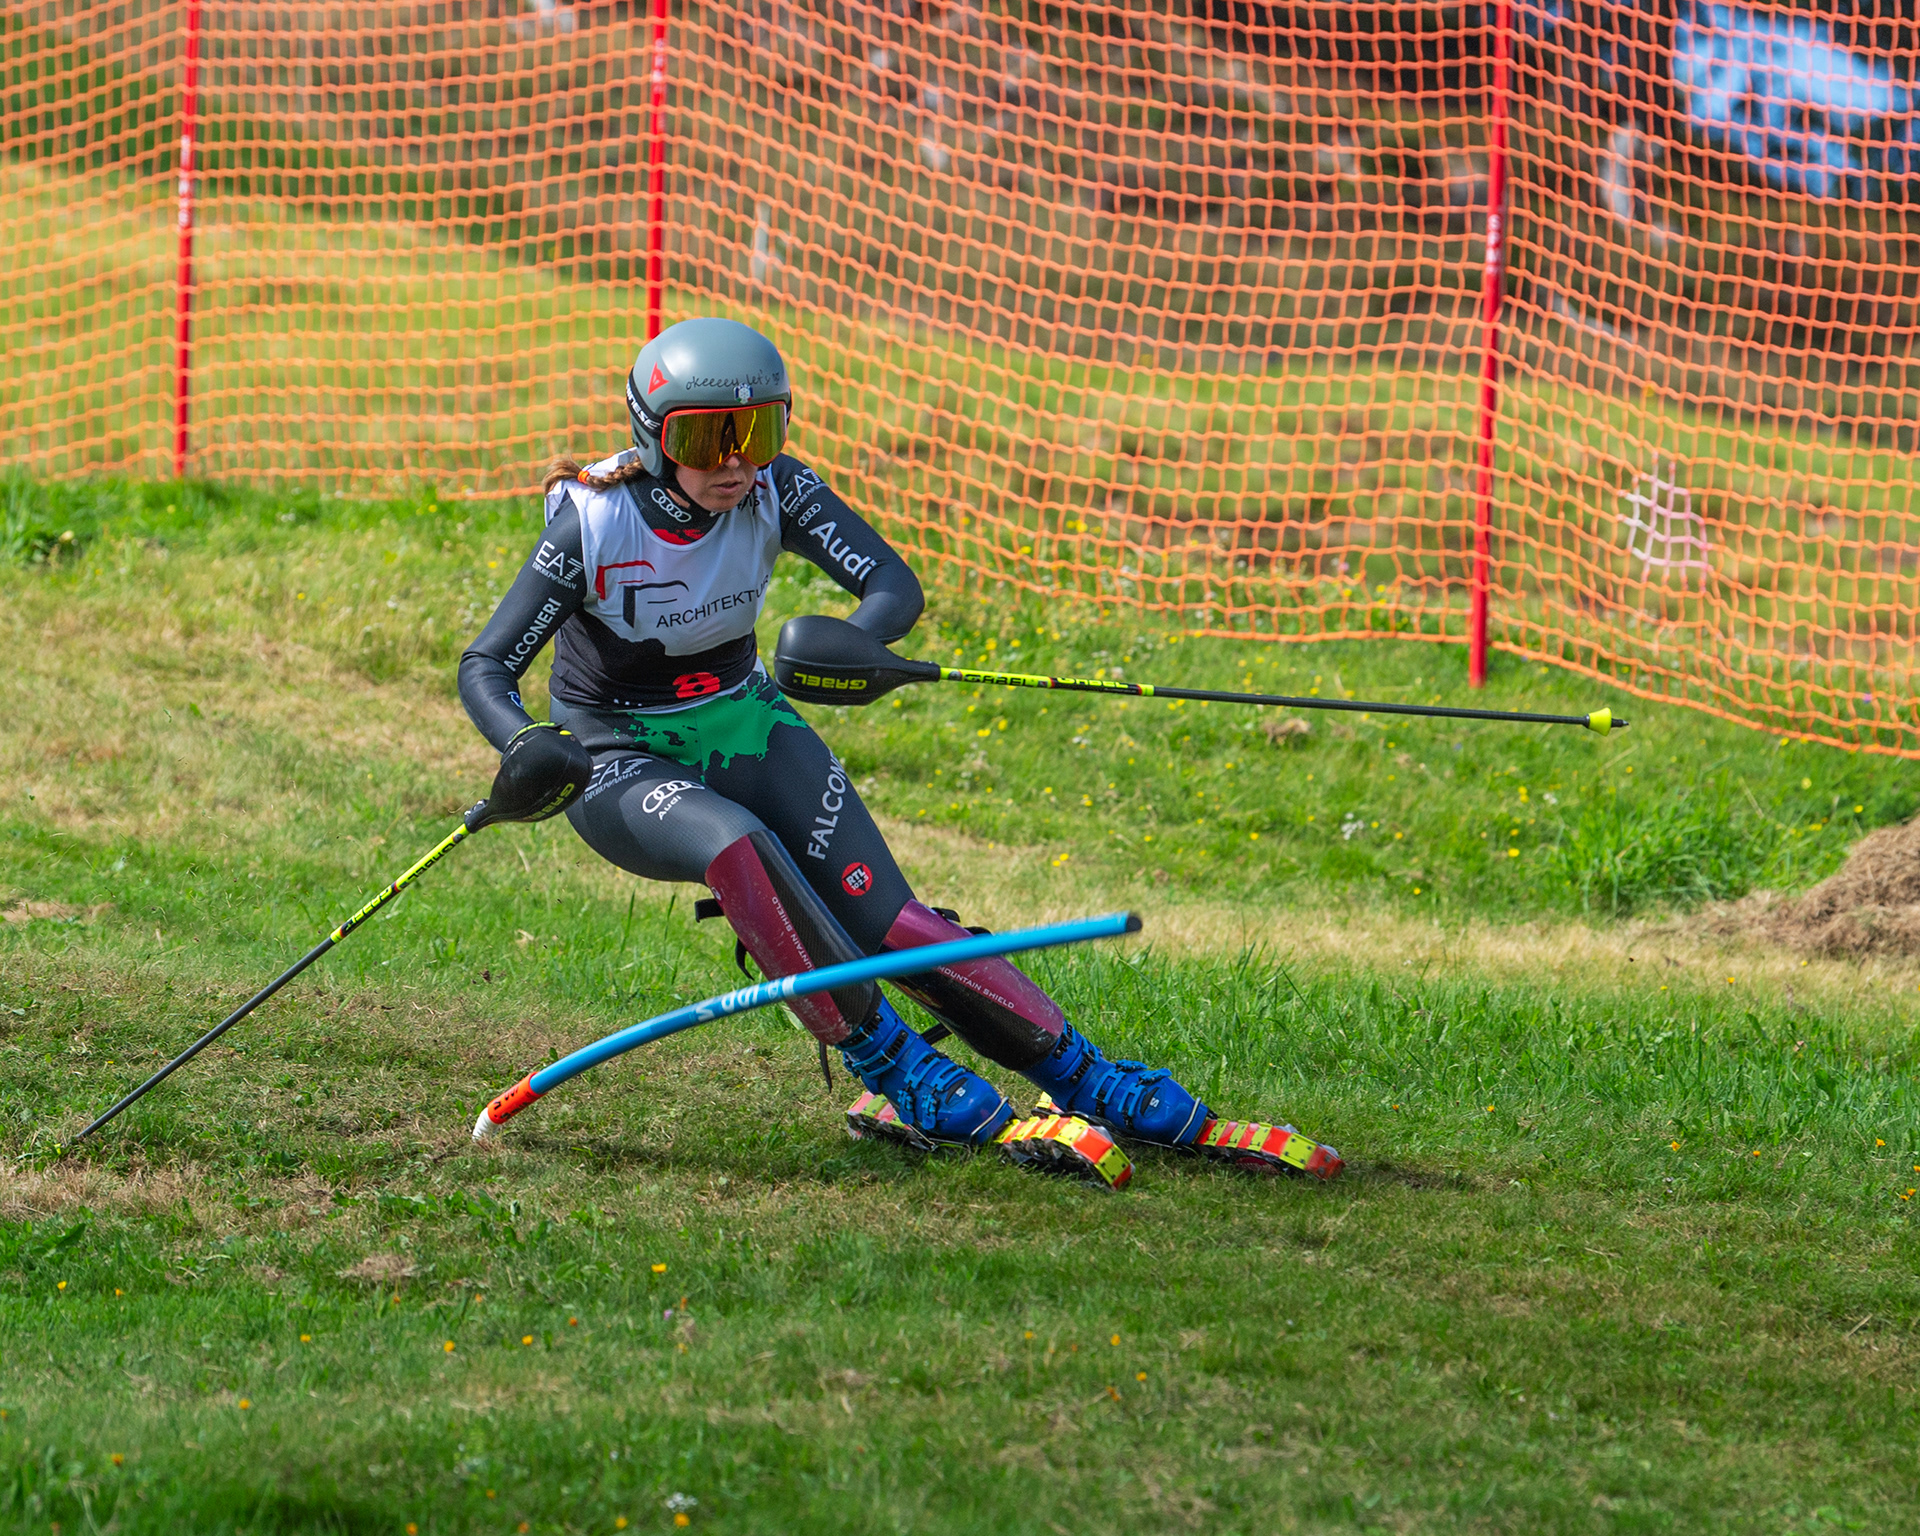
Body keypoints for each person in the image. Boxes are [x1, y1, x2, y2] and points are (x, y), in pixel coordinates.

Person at [459, 317, 1336, 1173]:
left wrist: (860, 643)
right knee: (736, 845)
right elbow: (487, 664)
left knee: (893, 922)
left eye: (757, 432)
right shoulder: (594, 525)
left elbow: (890, 582)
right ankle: (896, 1070)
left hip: (744, 719)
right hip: (616, 752)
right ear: (654, 436)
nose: (735, 462)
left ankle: (1087, 1078)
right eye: (706, 438)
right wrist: (525, 740)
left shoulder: (776, 489)